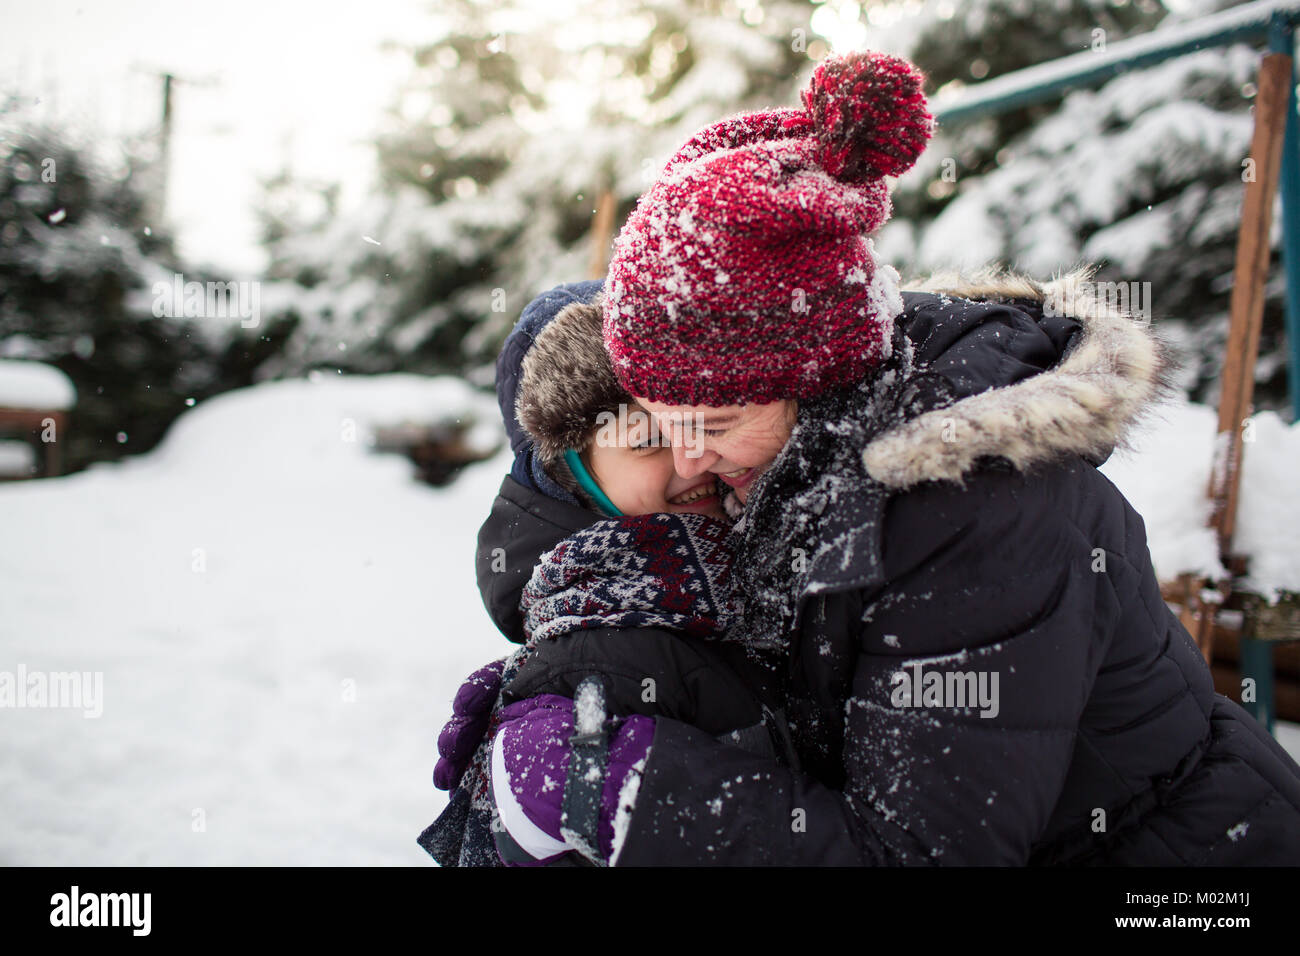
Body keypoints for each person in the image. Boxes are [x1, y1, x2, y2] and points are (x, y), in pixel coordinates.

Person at [485, 49, 1300, 865]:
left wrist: (622, 789)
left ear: (814, 376)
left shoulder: (975, 512)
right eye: (662, 424)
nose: (692, 458)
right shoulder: (782, 463)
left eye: (718, 419)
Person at [418, 282, 791, 867]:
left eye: (698, 418)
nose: (691, 455)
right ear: (571, 479)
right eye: (646, 439)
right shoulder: (599, 658)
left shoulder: (737, 573)